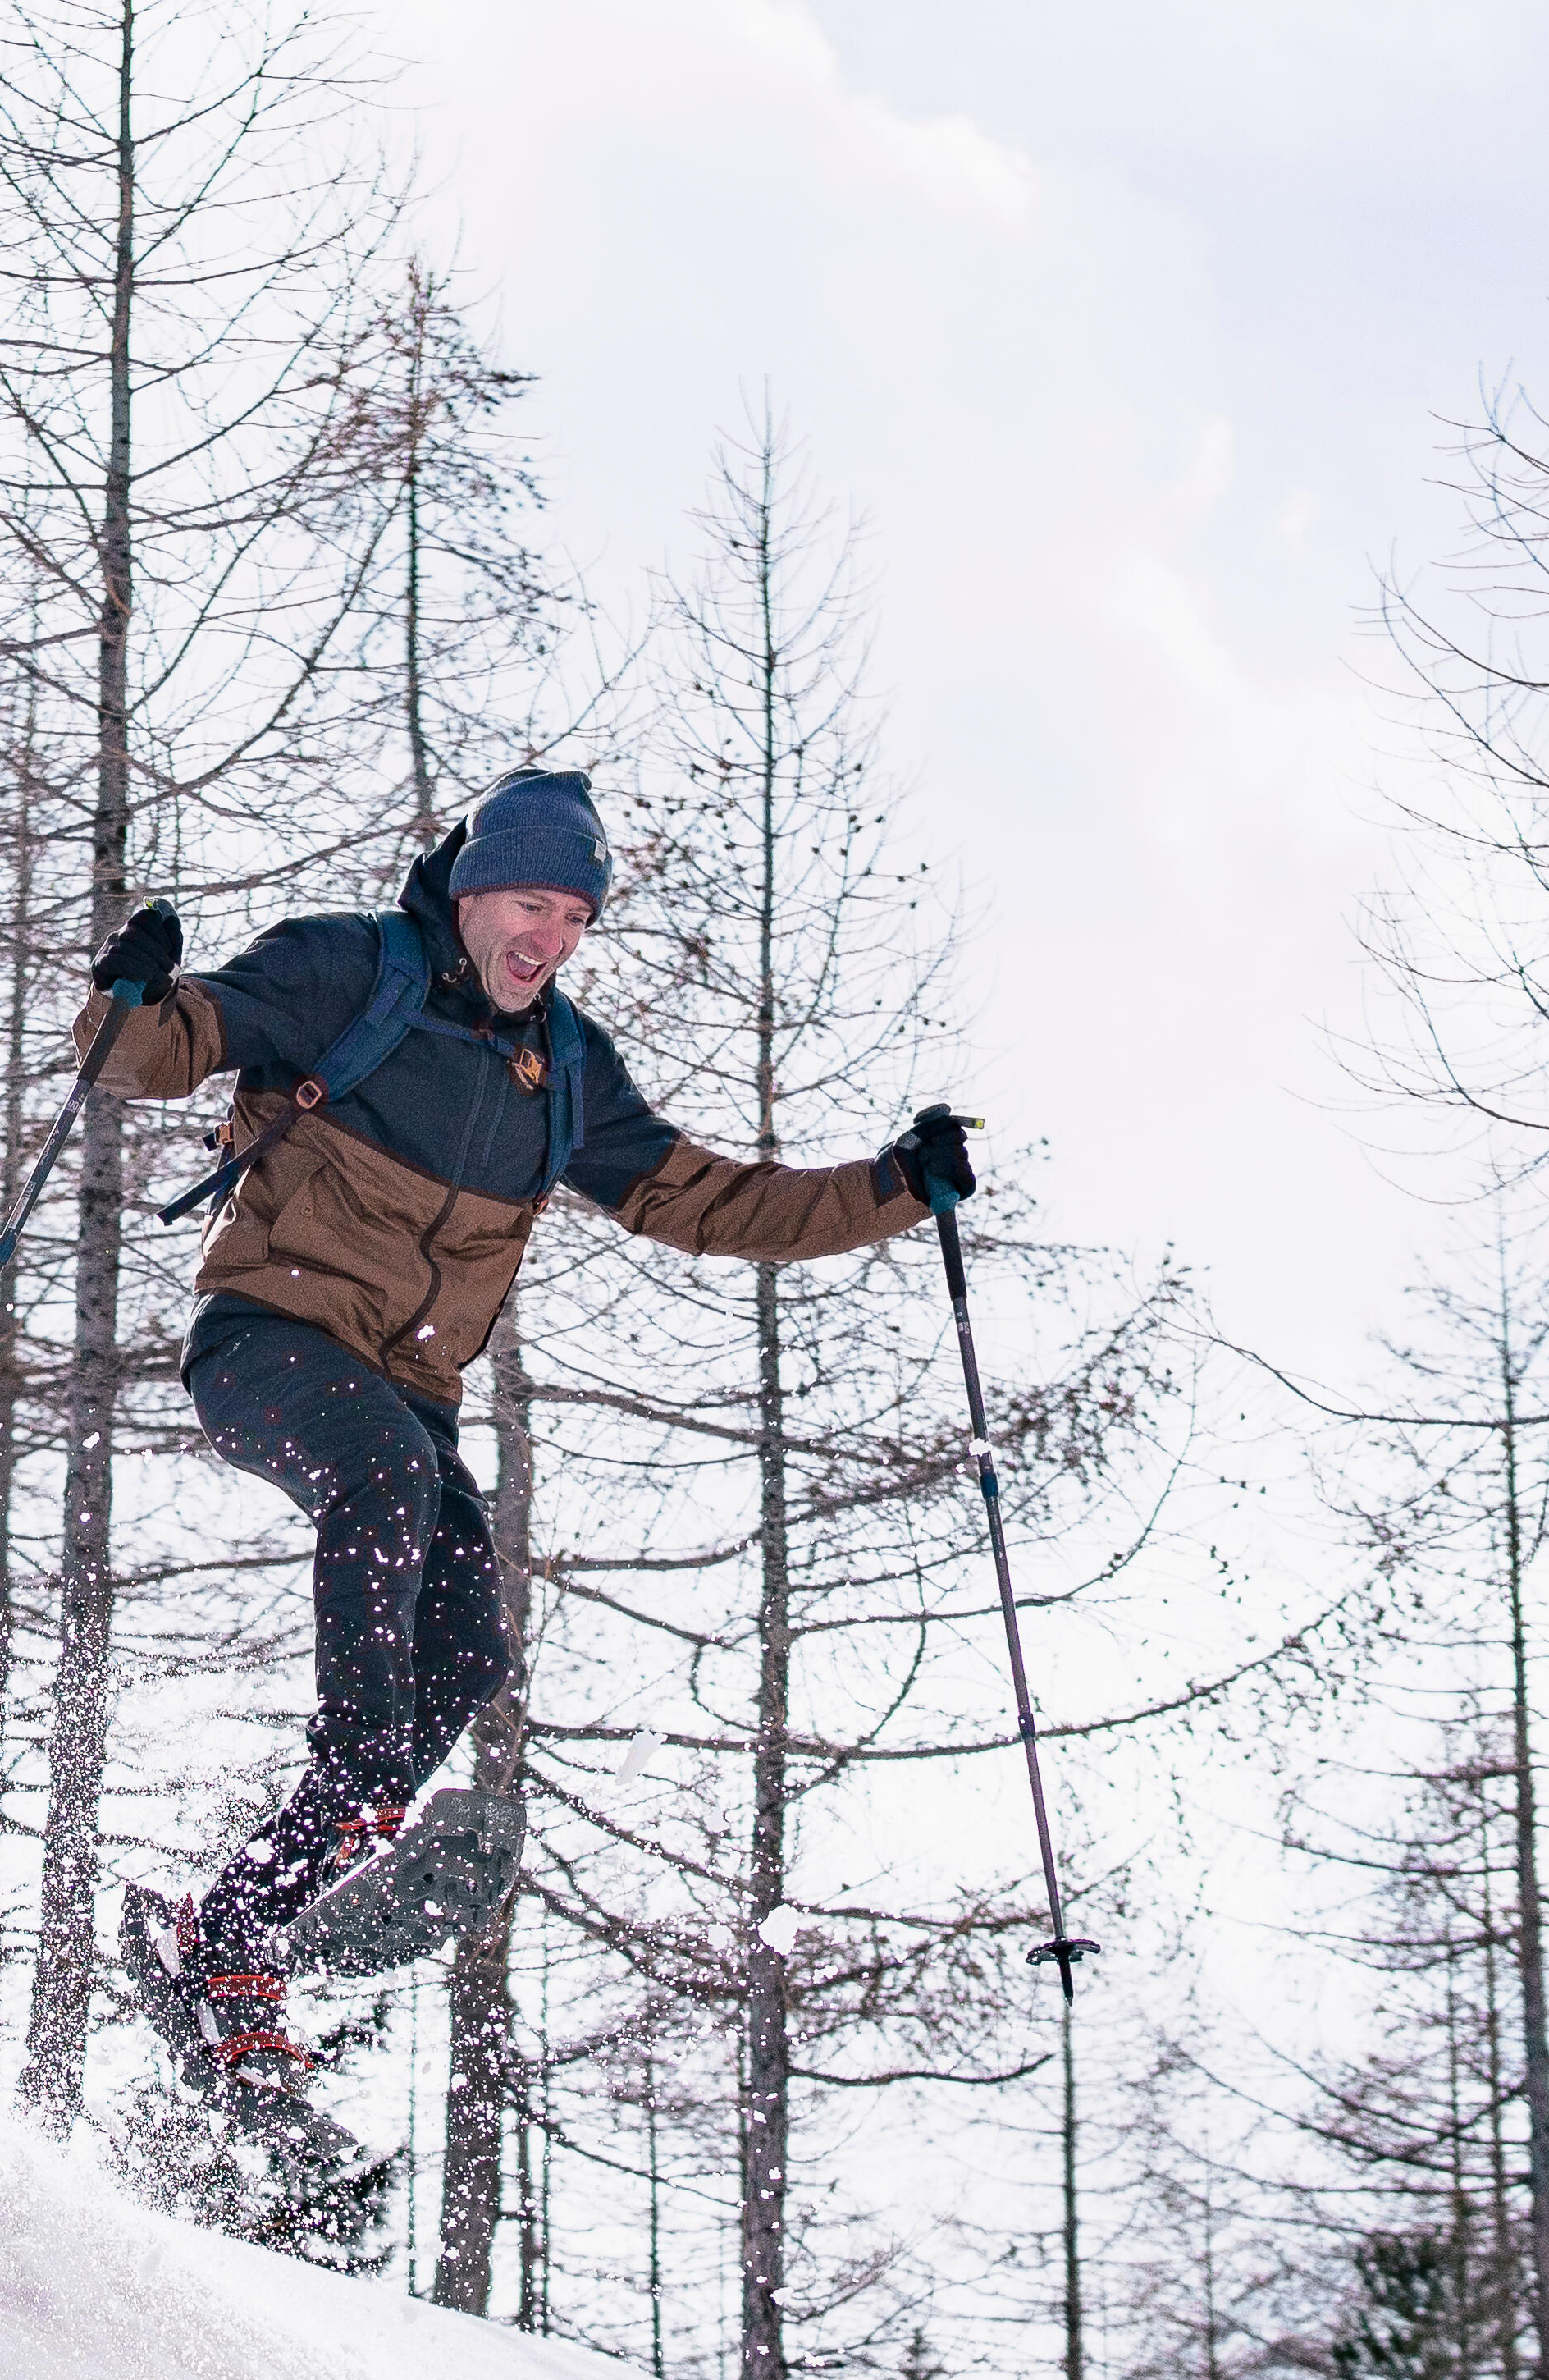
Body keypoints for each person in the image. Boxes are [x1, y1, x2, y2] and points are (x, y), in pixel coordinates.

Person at [86, 767, 980, 2191]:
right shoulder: (344, 970)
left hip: (407, 1400)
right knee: (381, 1491)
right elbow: (151, 1053)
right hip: (265, 1343)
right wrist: (129, 990)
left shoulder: (558, 1071)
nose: (546, 936)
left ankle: (237, 1928)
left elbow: (713, 1202)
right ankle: (350, 1787)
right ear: (467, 886)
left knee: (462, 1649)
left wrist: (888, 1184)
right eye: (528, 903)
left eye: (571, 915)